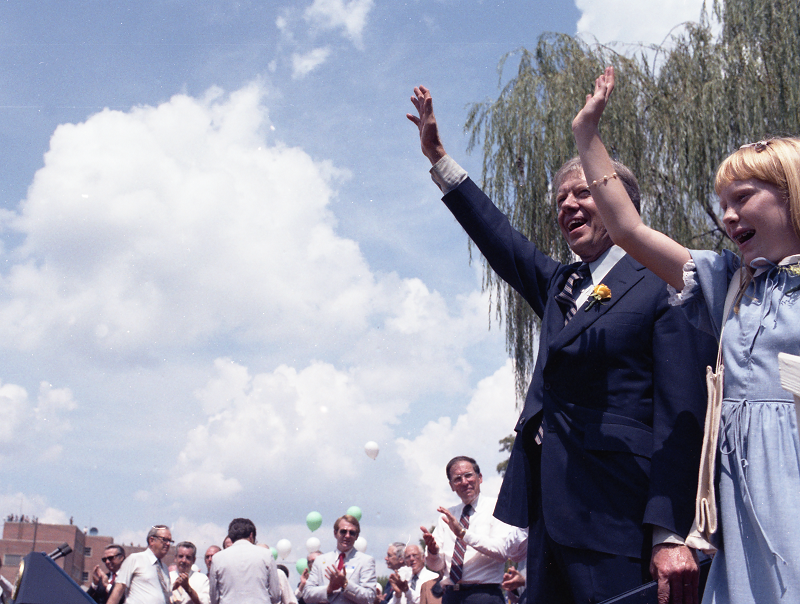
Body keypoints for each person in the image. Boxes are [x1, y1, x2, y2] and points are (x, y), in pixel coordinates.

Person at [407, 86, 717, 604]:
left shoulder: (667, 282)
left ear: (620, 201)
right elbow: (501, 240)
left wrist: (669, 531)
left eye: (583, 193)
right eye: (560, 200)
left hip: (622, 519)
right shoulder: (561, 286)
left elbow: (683, 414)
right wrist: (440, 160)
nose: (568, 205)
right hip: (550, 521)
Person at [572, 66, 800, 604]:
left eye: (743, 197)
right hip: (740, 490)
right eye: (722, 204)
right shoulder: (729, 282)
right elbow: (629, 230)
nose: (727, 215)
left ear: (792, 195)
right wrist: (587, 137)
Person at [421, 456, 526, 604]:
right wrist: (432, 552)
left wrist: (463, 534)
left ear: (480, 478)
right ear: (451, 486)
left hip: (484, 595)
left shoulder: (497, 509)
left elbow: (503, 551)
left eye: (468, 475)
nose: (464, 482)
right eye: (457, 479)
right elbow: (436, 566)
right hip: (451, 596)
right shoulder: (447, 517)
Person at [303, 515, 377, 604]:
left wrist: (345, 584)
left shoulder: (366, 561)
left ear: (357, 536)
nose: (347, 536)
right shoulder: (320, 561)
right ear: (335, 533)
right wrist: (329, 589)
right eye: (343, 531)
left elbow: (370, 597)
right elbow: (307, 595)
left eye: (352, 533)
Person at [208, 518, 281, 604]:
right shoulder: (266, 555)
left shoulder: (217, 558)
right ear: (251, 535)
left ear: (231, 537)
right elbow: (275, 594)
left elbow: (213, 595)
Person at [107, 525, 174, 604]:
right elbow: (118, 592)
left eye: (170, 541)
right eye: (164, 540)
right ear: (151, 540)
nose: (168, 544)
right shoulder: (135, 559)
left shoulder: (165, 569)